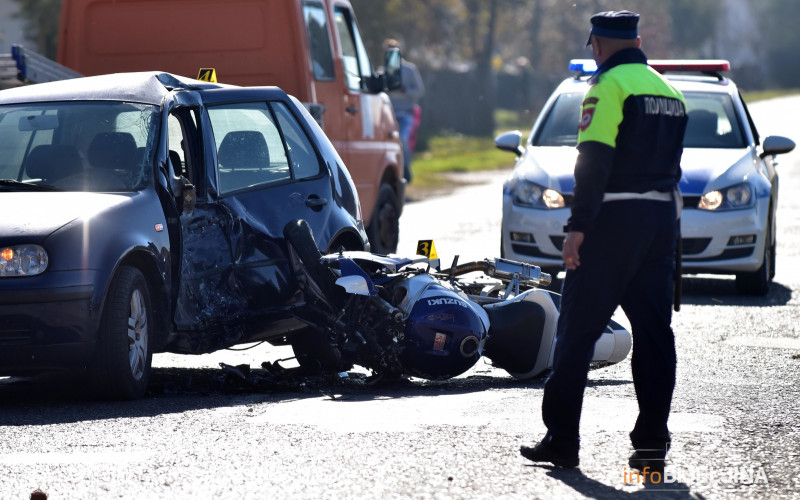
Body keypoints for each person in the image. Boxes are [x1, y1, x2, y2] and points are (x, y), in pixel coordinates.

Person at [519, 10, 687, 473]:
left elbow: (593, 159)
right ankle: (652, 442)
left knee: (576, 332)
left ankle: (562, 440)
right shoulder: (669, 91)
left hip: (612, 221)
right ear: (635, 40)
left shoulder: (607, 87)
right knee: (655, 336)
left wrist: (578, 226)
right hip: (659, 222)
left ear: (597, 42)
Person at [384, 39, 425, 183]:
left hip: (406, 112)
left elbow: (419, 90)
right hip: (388, 113)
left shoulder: (409, 69)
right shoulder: (382, 70)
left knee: (404, 139)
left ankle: (406, 167)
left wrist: (404, 91)